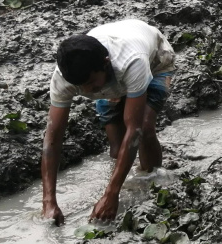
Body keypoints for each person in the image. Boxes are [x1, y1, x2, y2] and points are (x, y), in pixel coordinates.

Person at [41, 19, 176, 224]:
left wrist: (111, 194)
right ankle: (125, 183)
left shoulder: (132, 62)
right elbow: (52, 139)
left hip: (155, 60)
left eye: (90, 83)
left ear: (105, 64)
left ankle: (152, 184)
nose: (87, 91)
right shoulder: (64, 77)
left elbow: (134, 129)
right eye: (80, 86)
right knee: (116, 147)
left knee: (145, 129)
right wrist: (48, 202)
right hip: (111, 76)